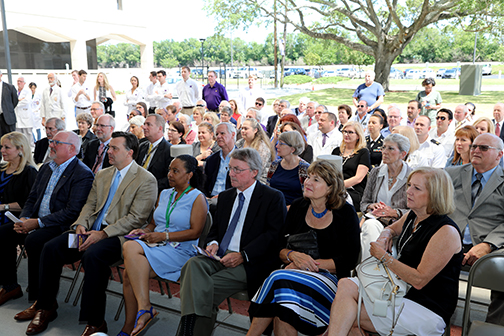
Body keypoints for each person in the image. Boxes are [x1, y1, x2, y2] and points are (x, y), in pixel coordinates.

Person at [18, 132, 157, 336]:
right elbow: (89, 205)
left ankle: (95, 322)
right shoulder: (103, 174)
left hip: (117, 238)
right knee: (51, 248)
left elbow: (136, 218)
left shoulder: (146, 179)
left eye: (114, 148)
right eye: (109, 148)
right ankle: (45, 307)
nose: (109, 151)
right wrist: (81, 225)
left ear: (130, 152)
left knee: (93, 256)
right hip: (88, 233)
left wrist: (103, 234)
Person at [328, 167, 462, 336]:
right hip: (399, 290)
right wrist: (385, 234)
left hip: (427, 307)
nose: (408, 191)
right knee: (345, 284)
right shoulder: (414, 215)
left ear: (435, 195)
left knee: (348, 315)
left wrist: (384, 257)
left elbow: (419, 280)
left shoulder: (446, 231)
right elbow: (391, 229)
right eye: (409, 185)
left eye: (416, 188)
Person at [177, 148, 287, 336]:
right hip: (220, 255)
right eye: (230, 168)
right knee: (192, 265)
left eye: (237, 169)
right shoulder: (227, 196)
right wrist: (212, 243)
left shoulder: (272, 197)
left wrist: (243, 255)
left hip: (251, 261)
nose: (231, 173)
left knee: (202, 289)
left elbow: (273, 236)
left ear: (254, 172)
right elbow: (216, 230)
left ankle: (187, 333)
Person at [248, 159, 360, 336]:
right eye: (308, 177)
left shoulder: (345, 213)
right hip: (292, 276)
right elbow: (279, 248)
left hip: (331, 282)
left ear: (330, 188)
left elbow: (350, 259)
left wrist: (308, 265)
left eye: (316, 180)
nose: (307, 182)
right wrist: (293, 256)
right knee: (283, 302)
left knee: (278, 279)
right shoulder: (298, 207)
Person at [1, 131, 93, 312]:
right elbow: (32, 198)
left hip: (59, 226)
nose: (51, 145)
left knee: (34, 240)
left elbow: (72, 212)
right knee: (3, 233)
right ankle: (11, 286)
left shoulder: (82, 173)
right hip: (36, 220)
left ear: (72, 149)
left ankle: (40, 300)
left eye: (56, 143)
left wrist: (37, 223)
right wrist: (24, 218)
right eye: (52, 141)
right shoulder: (46, 167)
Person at [118, 155, 208, 336]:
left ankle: (143, 311)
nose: (170, 174)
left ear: (189, 175)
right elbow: (153, 224)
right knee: (128, 273)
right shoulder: (165, 193)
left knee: (129, 248)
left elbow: (195, 232)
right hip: (157, 247)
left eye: (176, 171)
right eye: (169, 170)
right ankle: (134, 322)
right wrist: (143, 231)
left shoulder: (197, 197)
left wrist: (163, 236)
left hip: (181, 251)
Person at [446, 133, 504, 325]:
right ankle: (441, 322)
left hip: (490, 247)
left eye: (484, 148)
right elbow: (435, 205)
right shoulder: (452, 174)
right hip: (450, 242)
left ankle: (491, 328)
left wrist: (488, 244)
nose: (476, 150)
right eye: (474, 146)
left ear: (499, 155)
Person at [360, 134, 412, 260]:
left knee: (369, 233)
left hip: (399, 226)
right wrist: (372, 206)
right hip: (376, 221)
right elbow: (364, 203)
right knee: (370, 225)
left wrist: (395, 212)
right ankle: (372, 270)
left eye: (391, 149)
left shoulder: (412, 176)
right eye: (383, 148)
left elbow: (417, 212)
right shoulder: (375, 172)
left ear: (403, 154)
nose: (384, 152)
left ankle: (369, 271)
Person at [0, 132, 38, 226]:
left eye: (7, 147)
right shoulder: (1, 168)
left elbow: (30, 203)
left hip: (13, 219)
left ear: (20, 149)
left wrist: (4, 207)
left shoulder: (29, 172)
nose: (2, 150)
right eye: (2, 147)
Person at [331, 121, 371, 206]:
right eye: (344, 131)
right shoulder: (336, 151)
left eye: (350, 132)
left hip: (354, 190)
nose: (346, 134)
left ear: (358, 136)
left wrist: (338, 186)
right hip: (335, 188)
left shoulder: (363, 152)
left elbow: (358, 178)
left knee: (332, 197)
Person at [266, 131, 309, 206]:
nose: (277, 146)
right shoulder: (275, 164)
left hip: (294, 211)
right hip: (272, 208)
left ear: (292, 149)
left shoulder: (305, 168)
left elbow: (307, 197)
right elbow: (267, 188)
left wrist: (288, 209)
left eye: (281, 144)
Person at [137, 114, 173, 193]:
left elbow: (169, 178)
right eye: (144, 124)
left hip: (156, 192)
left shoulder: (169, 150)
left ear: (160, 129)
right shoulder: (142, 146)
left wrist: (149, 186)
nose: (144, 127)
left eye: (149, 125)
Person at [236, 118, 275, 184]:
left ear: (255, 130)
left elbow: (257, 170)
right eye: (242, 128)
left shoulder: (262, 147)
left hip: (257, 181)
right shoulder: (239, 143)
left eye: (246, 129)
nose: (242, 131)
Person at [203, 122, 236, 197]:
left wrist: (222, 197)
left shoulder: (242, 158)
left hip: (230, 198)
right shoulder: (211, 159)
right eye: (217, 134)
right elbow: (205, 184)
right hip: (210, 198)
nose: (218, 137)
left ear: (233, 135)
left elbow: (242, 185)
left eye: (222, 133)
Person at [14, 77, 34, 148]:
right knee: (18, 133)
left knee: (28, 133)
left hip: (26, 116)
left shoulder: (27, 91)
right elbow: (13, 100)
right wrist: (19, 100)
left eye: (20, 81)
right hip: (17, 115)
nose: (19, 83)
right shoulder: (15, 90)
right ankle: (20, 147)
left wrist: (17, 102)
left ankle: (31, 148)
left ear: (24, 83)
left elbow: (26, 101)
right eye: (18, 81)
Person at [0, 69, 19, 137]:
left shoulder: (9, 87)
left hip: (7, 117)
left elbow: (15, 101)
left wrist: (7, 109)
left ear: (1, 75)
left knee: (10, 138)